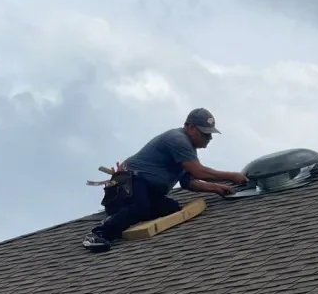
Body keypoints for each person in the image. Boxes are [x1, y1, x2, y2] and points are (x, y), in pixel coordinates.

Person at [82, 108, 249, 252]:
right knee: (140, 207)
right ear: (190, 128)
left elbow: (188, 181)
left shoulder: (186, 151)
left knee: (173, 210)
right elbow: (198, 172)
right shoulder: (178, 140)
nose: (208, 139)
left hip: (148, 191)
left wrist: (216, 188)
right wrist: (231, 176)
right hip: (129, 184)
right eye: (205, 134)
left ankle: (122, 218)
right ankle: (99, 233)